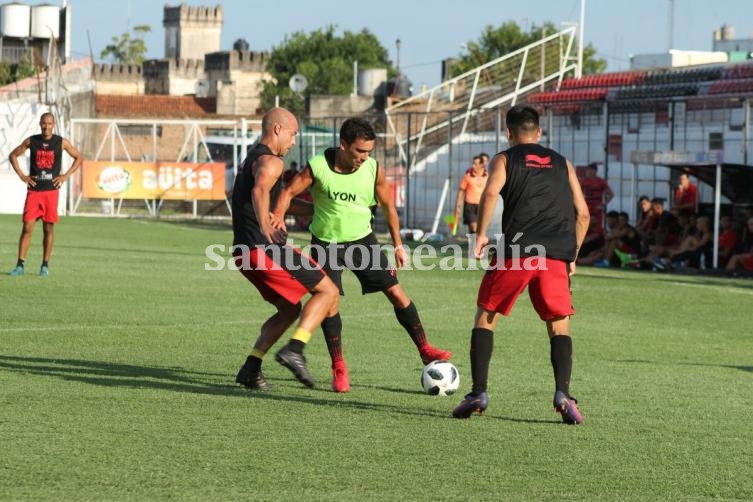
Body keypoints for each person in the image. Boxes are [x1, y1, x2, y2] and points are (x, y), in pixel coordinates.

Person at [273, 117, 452, 393]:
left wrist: (397, 244)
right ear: (343, 145)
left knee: (396, 293)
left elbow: (389, 206)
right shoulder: (318, 166)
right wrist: (278, 218)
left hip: (363, 242)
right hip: (326, 244)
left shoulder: (373, 169)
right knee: (330, 304)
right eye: (359, 151)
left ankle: (425, 349)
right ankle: (339, 366)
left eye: (369, 151)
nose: (364, 157)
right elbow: (287, 192)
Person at [452, 106, 590, 423]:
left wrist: (482, 235)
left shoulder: (505, 158)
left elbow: (490, 193)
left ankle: (479, 392)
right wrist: (572, 256)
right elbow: (583, 213)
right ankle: (563, 394)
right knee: (559, 324)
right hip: (555, 254)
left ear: (509, 133)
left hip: (517, 250)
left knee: (486, 316)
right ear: (539, 133)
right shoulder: (562, 162)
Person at [232, 107, 339, 391]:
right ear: (278, 129)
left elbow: (269, 196)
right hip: (264, 250)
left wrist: (320, 210)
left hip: (243, 254)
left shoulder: (252, 158)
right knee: (328, 291)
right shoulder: (272, 161)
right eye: (293, 134)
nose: (293, 142)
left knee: (289, 310)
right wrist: (266, 227)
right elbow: (259, 191)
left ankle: (250, 367)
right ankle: (295, 349)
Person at [8, 112, 84, 277]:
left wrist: (65, 176)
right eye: (44, 123)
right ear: (40, 124)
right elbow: (13, 155)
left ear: (53, 124)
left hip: (51, 192)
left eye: (49, 123)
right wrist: (22, 176)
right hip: (34, 191)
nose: (46, 126)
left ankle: (45, 265)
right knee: (27, 227)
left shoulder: (61, 142)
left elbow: (78, 157)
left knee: (48, 228)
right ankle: (20, 265)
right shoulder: (32, 141)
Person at [454, 154, 488, 234]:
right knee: (473, 226)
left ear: (481, 165)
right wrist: (458, 204)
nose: (473, 166)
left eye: (475, 164)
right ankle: (475, 243)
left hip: (482, 205)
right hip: (469, 205)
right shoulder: (468, 176)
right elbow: (461, 190)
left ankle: (474, 244)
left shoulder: (487, 176)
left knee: (479, 228)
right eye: (473, 163)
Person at [579, 162, 613, 230]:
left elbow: (611, 194)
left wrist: (603, 204)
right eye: (588, 170)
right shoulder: (584, 181)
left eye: (591, 170)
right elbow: (579, 194)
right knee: (585, 226)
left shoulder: (601, 181)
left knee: (597, 227)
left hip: (597, 208)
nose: (589, 172)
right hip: (587, 208)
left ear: (595, 171)